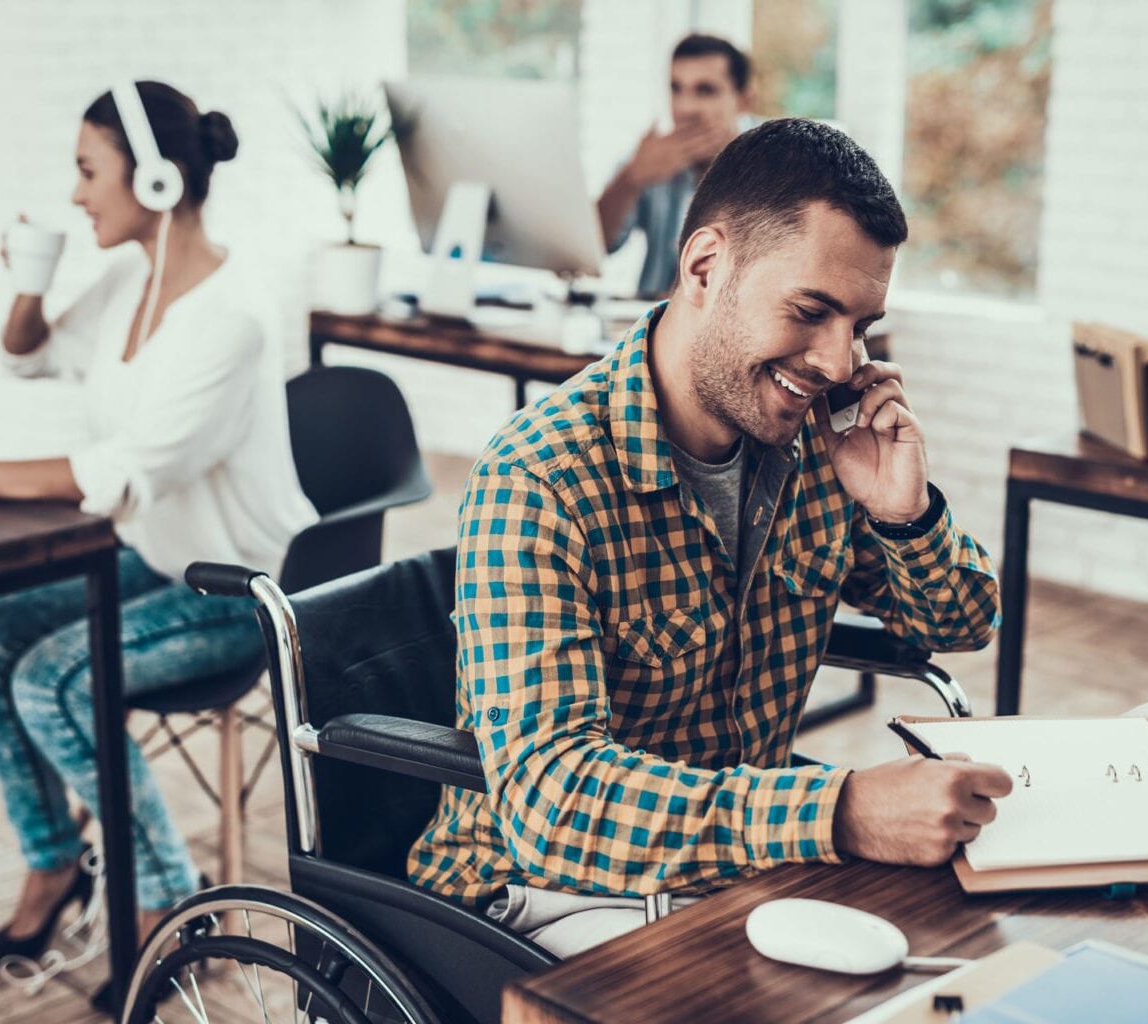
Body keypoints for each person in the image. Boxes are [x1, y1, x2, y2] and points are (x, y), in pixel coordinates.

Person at [409, 118, 1013, 959]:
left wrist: (900, 514)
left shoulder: (816, 446)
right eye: (812, 311)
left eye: (862, 324)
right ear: (704, 267)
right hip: (542, 890)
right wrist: (839, 811)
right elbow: (554, 804)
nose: (841, 362)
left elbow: (960, 626)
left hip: (724, 872)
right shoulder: (542, 476)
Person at [0, 81, 315, 1006]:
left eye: (88, 172)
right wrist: (30, 278)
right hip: (156, 558)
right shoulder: (133, 278)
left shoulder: (229, 318)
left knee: (53, 679)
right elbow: (29, 353)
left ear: (155, 181)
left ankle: (168, 908)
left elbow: (113, 473)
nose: (77, 194)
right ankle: (53, 867)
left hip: (236, 590)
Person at [596, 33, 753, 300]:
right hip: (651, 322)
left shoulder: (771, 164)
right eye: (675, 88)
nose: (685, 107)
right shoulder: (653, 157)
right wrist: (631, 178)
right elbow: (596, 247)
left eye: (705, 90)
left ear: (743, 102)